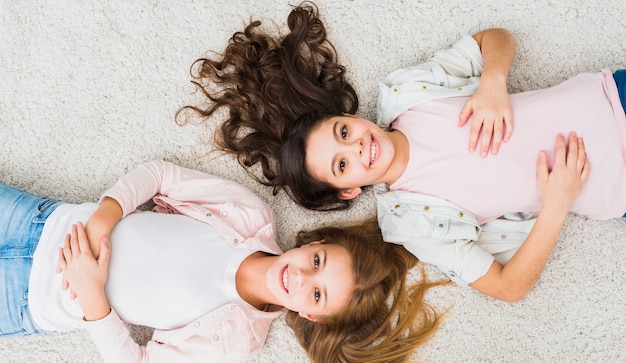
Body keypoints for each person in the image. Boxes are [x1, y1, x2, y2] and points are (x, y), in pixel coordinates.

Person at [177, 3, 626, 302]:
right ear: (349, 190)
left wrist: (493, 82)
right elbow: (510, 288)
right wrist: (557, 205)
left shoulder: (408, 92)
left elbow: (497, 38)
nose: (357, 146)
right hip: (616, 185)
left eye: (343, 131)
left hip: (611, 95)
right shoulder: (414, 224)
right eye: (342, 163)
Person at [1, 160, 446, 363]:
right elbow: (161, 174)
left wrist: (92, 297)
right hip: (43, 221)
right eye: (317, 262)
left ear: (314, 318)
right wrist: (105, 216)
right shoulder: (248, 213)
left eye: (316, 294)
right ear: (315, 243)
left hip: (29, 300)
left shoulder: (236, 342)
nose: (300, 277)